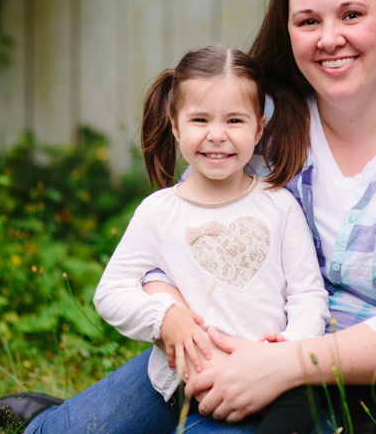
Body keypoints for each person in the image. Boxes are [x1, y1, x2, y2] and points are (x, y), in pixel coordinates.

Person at [0, 0, 376, 434]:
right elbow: (186, 230)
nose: (330, 38)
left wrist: (283, 364)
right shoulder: (267, 121)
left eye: (352, 14)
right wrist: (180, 319)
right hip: (219, 354)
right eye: (308, 21)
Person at [95, 44, 331, 434]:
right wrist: (164, 318)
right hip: (194, 380)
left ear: (259, 128)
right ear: (175, 126)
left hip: (270, 372)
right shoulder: (159, 212)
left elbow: (307, 294)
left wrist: (287, 349)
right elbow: (110, 292)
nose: (217, 135)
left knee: (307, 402)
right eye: (200, 119)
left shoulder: (279, 205)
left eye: (235, 120)